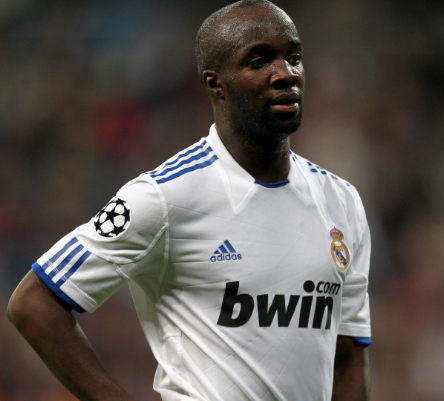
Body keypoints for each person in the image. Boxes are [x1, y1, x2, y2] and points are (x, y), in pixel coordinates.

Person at [7, 1, 372, 400]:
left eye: (294, 57)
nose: (286, 73)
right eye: (258, 61)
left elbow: (348, 358)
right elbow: (34, 302)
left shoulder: (342, 201)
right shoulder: (165, 196)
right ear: (216, 84)